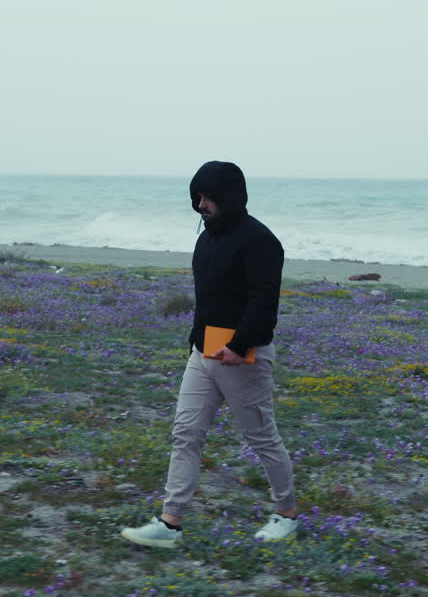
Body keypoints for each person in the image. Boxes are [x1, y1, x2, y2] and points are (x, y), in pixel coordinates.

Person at [121, 160, 299, 548]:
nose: (201, 204)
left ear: (229, 196)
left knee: (261, 437)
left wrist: (239, 345)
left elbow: (264, 302)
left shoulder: (260, 241)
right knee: (186, 433)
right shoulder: (207, 238)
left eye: (208, 197)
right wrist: (196, 342)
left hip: (244, 356)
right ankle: (170, 522)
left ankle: (287, 514)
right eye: (197, 197)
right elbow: (207, 299)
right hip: (203, 354)